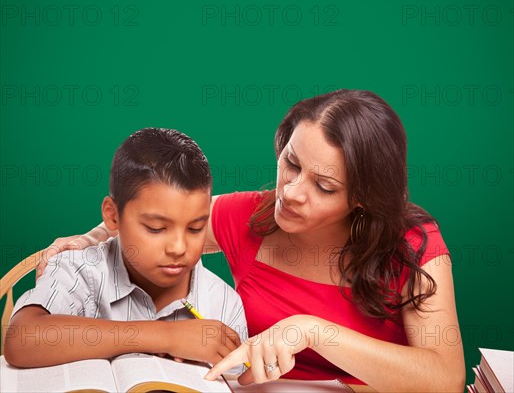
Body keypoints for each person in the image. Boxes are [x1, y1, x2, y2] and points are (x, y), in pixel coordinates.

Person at [35, 90, 465, 391]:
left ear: (363, 199)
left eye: (325, 186)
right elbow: (154, 225)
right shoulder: (253, 215)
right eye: (291, 163)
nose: (291, 191)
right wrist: (88, 239)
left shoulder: (413, 242)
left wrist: (311, 331)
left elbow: (445, 378)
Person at [5, 128, 247, 368]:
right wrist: (166, 336)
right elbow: (21, 339)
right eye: (155, 228)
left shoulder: (224, 303)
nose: (178, 248)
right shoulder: (80, 270)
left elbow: (238, 383)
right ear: (113, 216)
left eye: (195, 228)